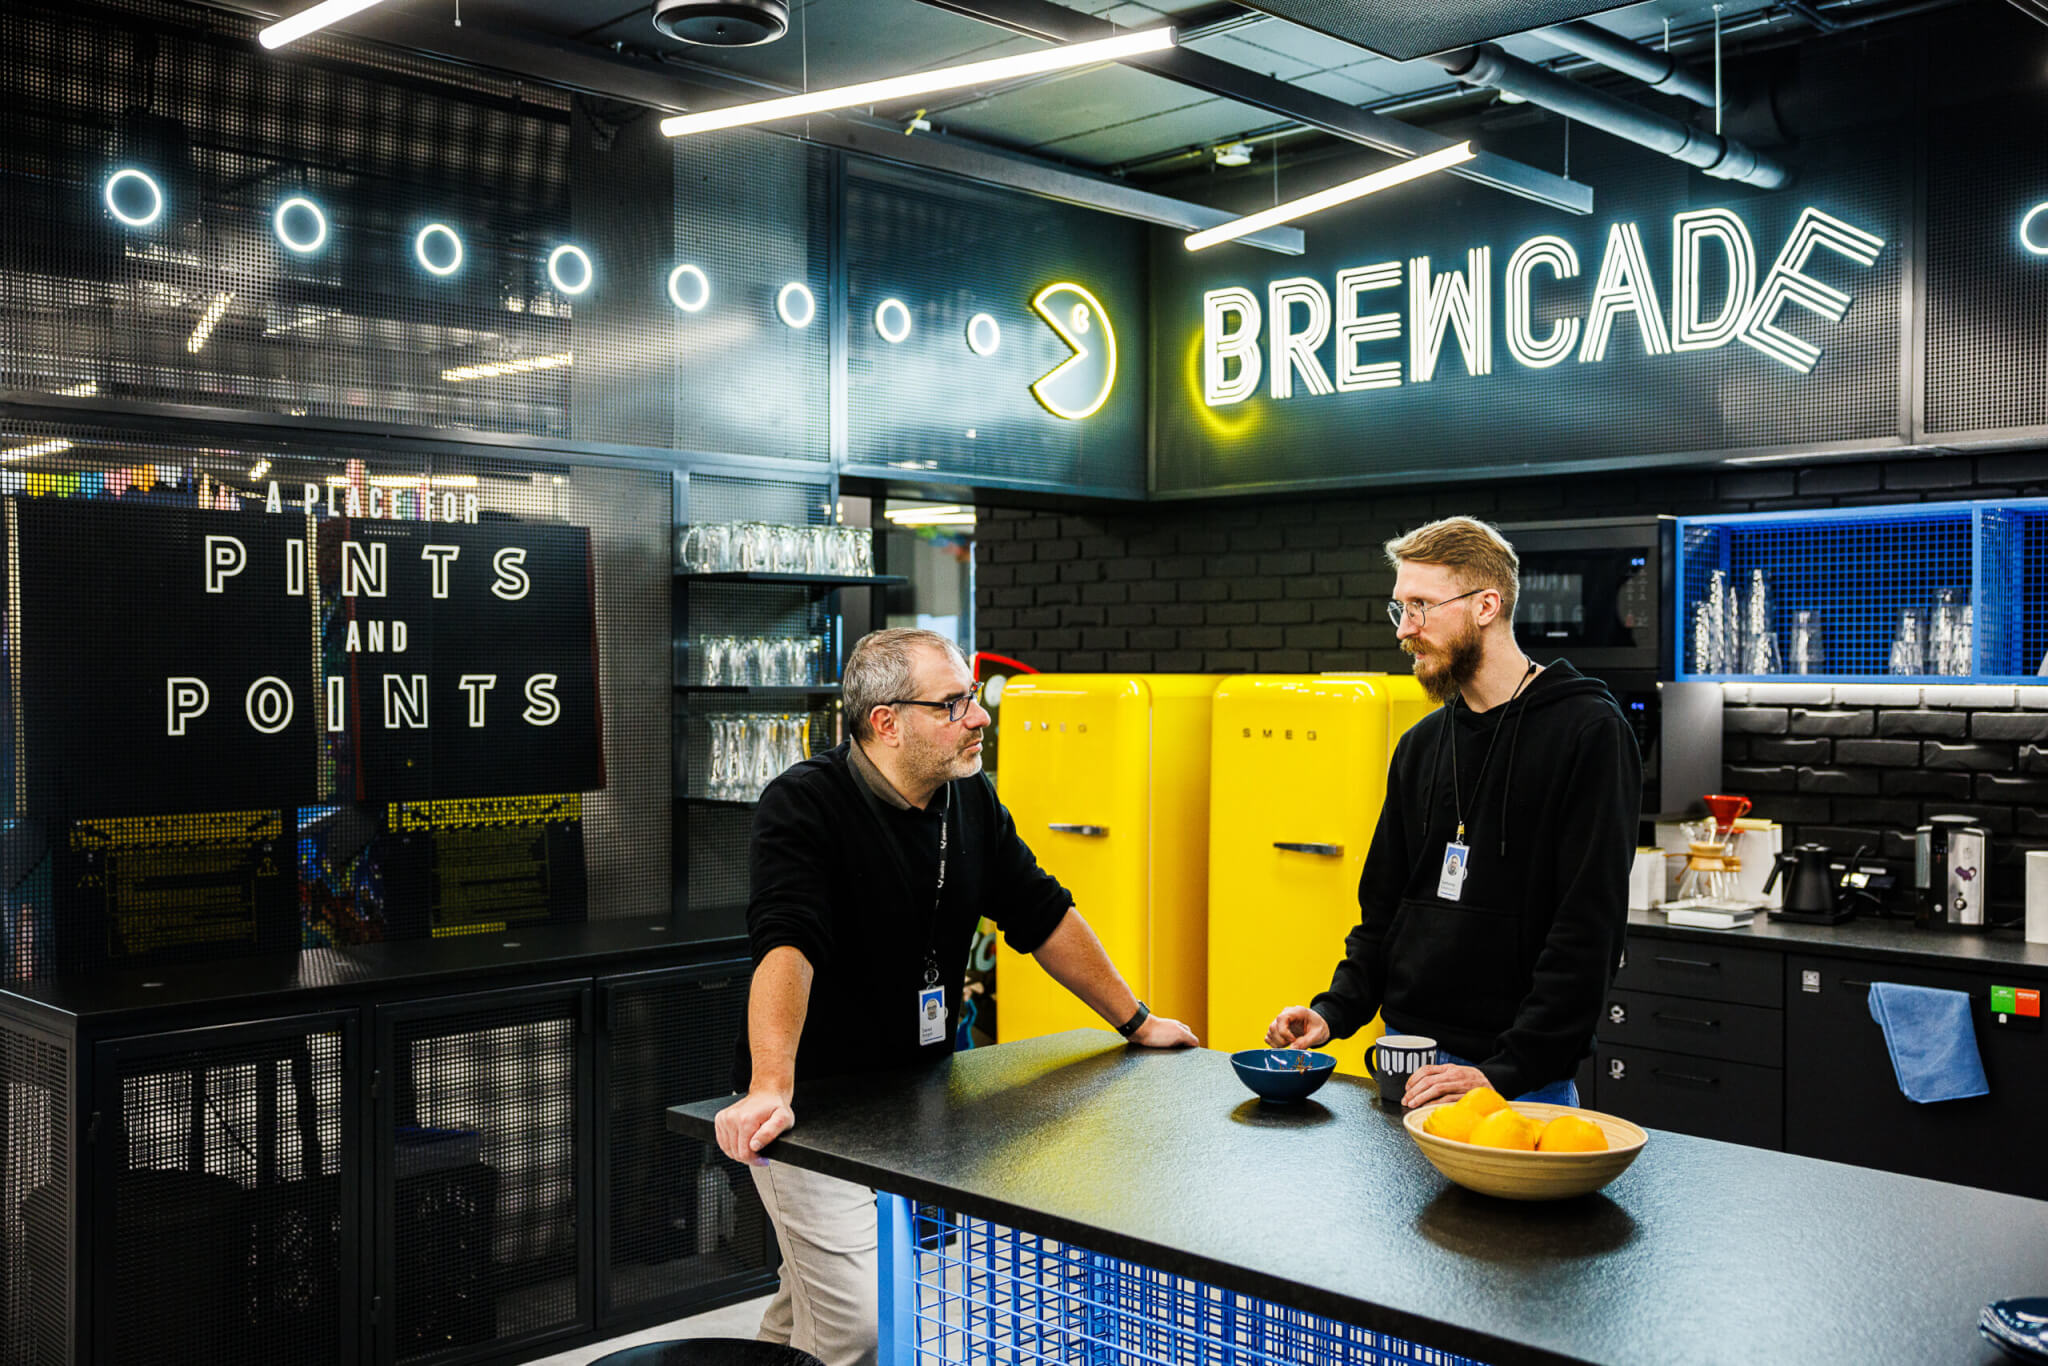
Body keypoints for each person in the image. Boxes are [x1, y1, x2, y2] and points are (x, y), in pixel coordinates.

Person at [713, 627, 1197, 1366]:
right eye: (954, 704)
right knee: (861, 1327)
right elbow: (789, 944)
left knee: (812, 1298)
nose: (979, 717)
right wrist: (770, 1087)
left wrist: (1135, 1020)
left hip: (915, 1096)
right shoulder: (804, 804)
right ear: (886, 722)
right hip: (813, 1107)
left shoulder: (969, 801)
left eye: (971, 699)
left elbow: (1042, 913)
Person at [1266, 516, 1640, 1109]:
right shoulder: (1421, 745)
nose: (1404, 631)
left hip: (1517, 1081)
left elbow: (1587, 934)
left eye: (1420, 607)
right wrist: (1331, 1012)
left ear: (1486, 604)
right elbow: (1383, 912)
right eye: (1400, 609)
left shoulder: (1589, 732)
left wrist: (1506, 1071)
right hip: (1405, 1060)